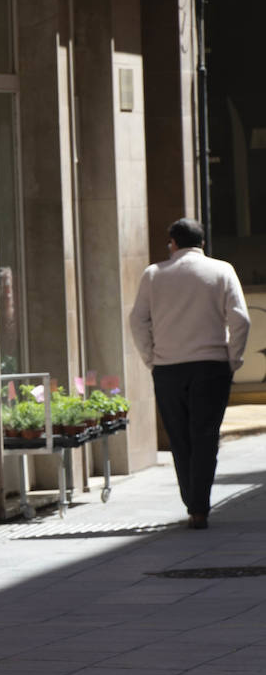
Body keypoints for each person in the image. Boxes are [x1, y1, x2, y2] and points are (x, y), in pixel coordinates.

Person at [128, 217, 250, 529]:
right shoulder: (221, 270)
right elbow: (240, 320)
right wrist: (232, 358)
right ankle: (199, 506)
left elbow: (137, 321)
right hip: (211, 365)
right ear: (202, 244)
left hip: (168, 368)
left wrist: (151, 359)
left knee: (179, 438)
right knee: (206, 436)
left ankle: (193, 503)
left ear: (173, 243)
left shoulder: (154, 275)